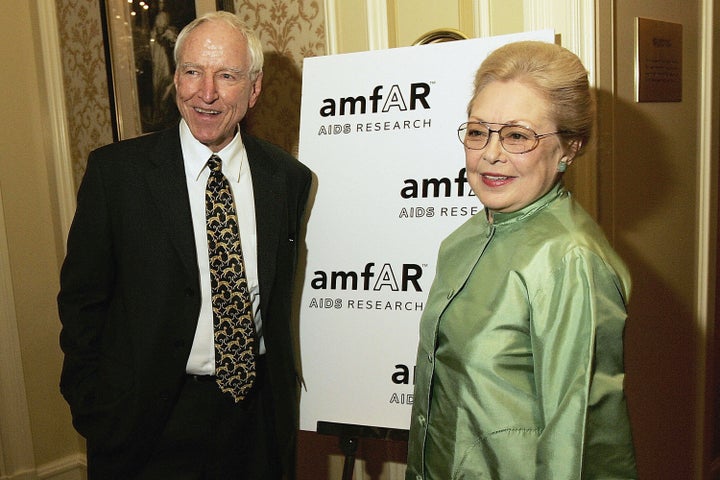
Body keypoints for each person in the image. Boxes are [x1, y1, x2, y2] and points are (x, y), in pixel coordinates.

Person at [58, 11, 311, 479]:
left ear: (253, 89)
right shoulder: (118, 176)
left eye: (227, 76)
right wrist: (94, 405)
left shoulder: (287, 179)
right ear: (175, 79)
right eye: (193, 71)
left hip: (253, 422)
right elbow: (81, 301)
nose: (206, 92)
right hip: (144, 424)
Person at [406, 41, 637, 479]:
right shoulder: (463, 240)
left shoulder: (570, 261)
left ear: (569, 147)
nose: (491, 154)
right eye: (478, 131)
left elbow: (581, 442)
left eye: (517, 135)